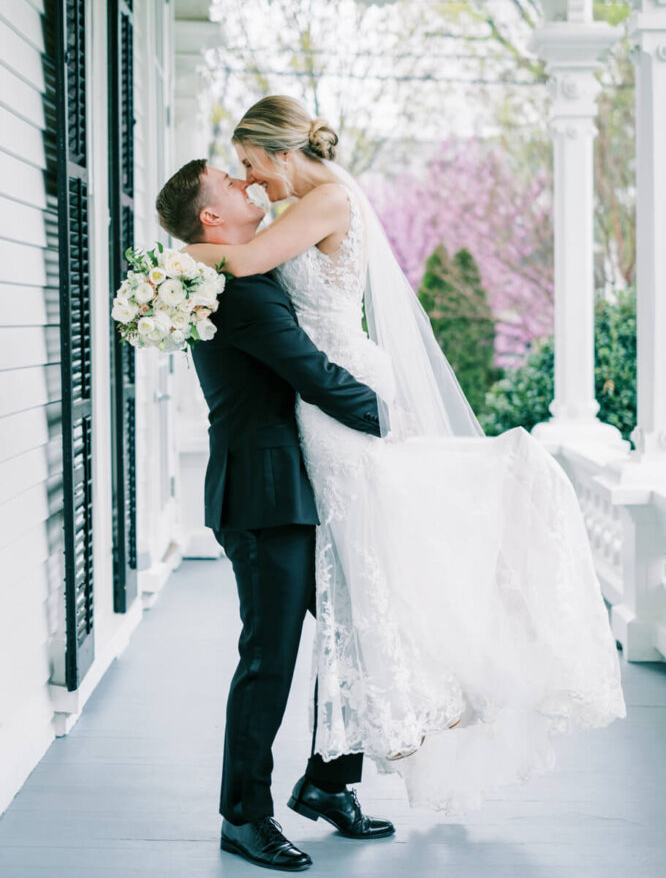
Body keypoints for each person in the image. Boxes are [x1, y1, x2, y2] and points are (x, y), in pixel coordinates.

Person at [180, 95, 627, 817]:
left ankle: (365, 750)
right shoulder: (307, 209)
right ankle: (326, 779)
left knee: (370, 586)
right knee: (359, 593)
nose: (251, 180)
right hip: (323, 411)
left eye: (251, 164)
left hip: (343, 400)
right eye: (238, 175)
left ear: (281, 151)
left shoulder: (320, 202)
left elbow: (250, 258)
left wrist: (177, 262)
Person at [155, 165, 395, 873]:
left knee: (351, 633)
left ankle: (326, 782)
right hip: (264, 497)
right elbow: (314, 377)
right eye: (228, 181)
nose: (244, 182)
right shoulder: (241, 294)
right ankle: (244, 816)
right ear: (211, 219)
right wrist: (398, 419)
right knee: (269, 658)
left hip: (305, 486)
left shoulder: (251, 274)